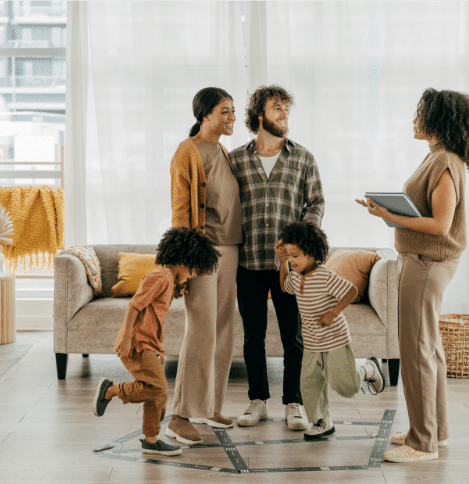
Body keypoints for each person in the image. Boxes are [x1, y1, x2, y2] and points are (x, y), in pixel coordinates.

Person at [356, 88, 469, 463]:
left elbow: (440, 225)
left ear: (437, 120)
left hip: (426, 264)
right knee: (429, 348)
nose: (414, 120)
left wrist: (387, 215)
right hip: (424, 262)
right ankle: (433, 431)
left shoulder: (444, 160)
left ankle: (422, 442)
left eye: (419, 114)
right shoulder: (439, 157)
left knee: (415, 351)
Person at [229, 85, 325, 431]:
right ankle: (258, 401)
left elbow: (316, 203)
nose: (284, 114)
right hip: (249, 261)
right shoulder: (236, 159)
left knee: (293, 337)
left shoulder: (303, 158)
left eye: (286, 109)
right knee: (252, 337)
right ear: (260, 115)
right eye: (277, 108)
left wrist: (299, 242)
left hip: (291, 266)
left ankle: (294, 402)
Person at [93, 227, 221, 456]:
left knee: (158, 394)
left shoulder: (170, 280)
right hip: (138, 343)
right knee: (158, 387)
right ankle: (110, 391)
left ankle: (151, 440)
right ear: (182, 260)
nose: (192, 275)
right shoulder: (160, 277)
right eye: (192, 270)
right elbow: (135, 305)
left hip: (151, 344)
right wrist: (124, 338)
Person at [167, 87, 242, 445]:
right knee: (201, 331)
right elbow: (181, 211)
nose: (231, 117)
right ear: (205, 115)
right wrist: (183, 262)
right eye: (224, 111)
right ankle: (180, 415)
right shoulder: (188, 152)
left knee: (225, 330)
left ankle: (209, 405)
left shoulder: (223, 150)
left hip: (231, 248)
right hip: (204, 250)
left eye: (233, 111)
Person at [276, 221, 386, 439]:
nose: (292, 260)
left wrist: (333, 313)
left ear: (311, 254)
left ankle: (368, 369)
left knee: (346, 386)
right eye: (289, 256)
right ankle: (322, 421)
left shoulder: (325, 276)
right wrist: (283, 264)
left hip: (334, 339)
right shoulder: (297, 275)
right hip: (312, 342)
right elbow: (284, 286)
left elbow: (351, 291)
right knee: (308, 385)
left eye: (295, 256)